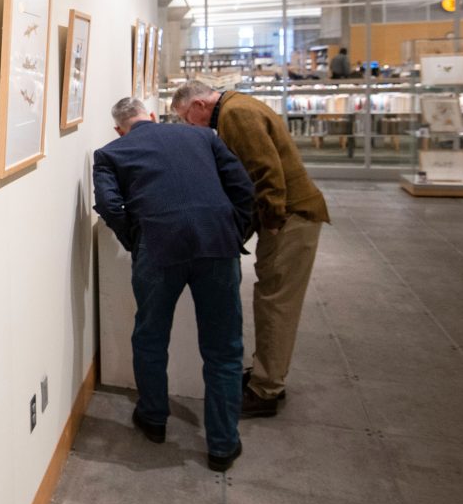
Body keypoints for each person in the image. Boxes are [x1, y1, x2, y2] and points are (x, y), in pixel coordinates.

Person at [93, 96, 255, 472]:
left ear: (119, 128)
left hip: (158, 246)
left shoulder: (110, 152)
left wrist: (136, 239)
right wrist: (235, 232)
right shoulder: (203, 137)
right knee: (224, 348)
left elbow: (109, 204)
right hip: (216, 242)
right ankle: (222, 444)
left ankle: (153, 418)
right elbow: (243, 188)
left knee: (150, 336)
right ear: (151, 116)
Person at [170, 80, 330, 418]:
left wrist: (271, 219)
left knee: (276, 301)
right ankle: (264, 374)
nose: (190, 125)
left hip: (290, 216)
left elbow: (264, 172)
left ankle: (267, 388)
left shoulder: (235, 114)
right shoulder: (237, 106)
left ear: (199, 105)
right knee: (271, 296)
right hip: (288, 214)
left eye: (187, 117)